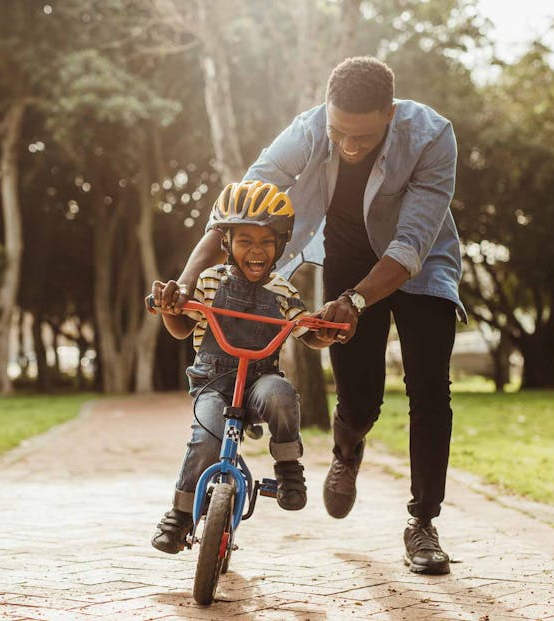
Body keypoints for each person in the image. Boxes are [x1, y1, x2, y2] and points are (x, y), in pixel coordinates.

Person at [158, 56, 466, 575]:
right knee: (361, 398)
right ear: (327, 110)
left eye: (363, 137)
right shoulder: (307, 130)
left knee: (430, 388)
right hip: (348, 257)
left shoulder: (433, 137)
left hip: (421, 263)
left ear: (390, 114)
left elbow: (411, 243)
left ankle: (423, 522)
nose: (348, 146)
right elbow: (238, 207)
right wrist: (186, 282)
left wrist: (358, 302)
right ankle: (348, 448)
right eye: (339, 131)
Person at [150, 180, 337, 555]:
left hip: (259, 381)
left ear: (281, 245)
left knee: (282, 395)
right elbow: (182, 327)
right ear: (227, 244)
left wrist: (326, 332)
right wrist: (171, 310)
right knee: (205, 441)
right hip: (214, 382)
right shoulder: (207, 281)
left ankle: (287, 467)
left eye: (267, 242)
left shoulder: (284, 291)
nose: (256, 250)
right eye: (245, 240)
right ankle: (180, 514)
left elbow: (306, 332)